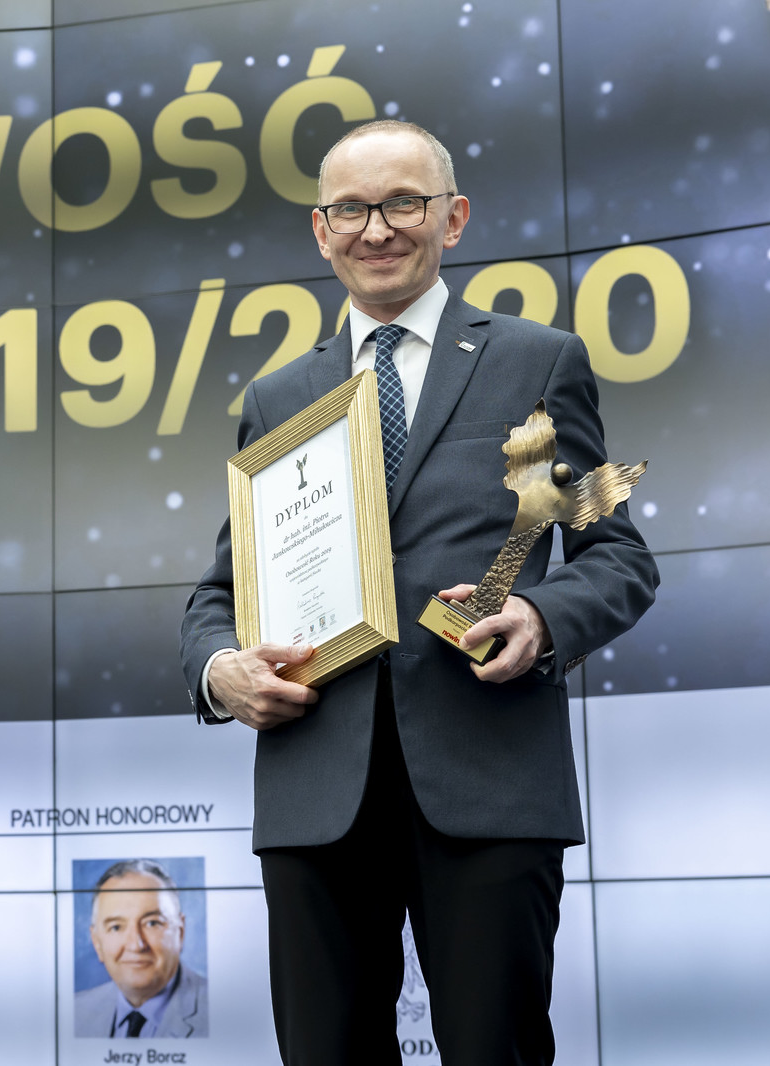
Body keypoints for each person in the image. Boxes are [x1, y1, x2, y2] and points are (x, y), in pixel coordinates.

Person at [180, 121, 657, 1065]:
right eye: (351, 209)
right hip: (317, 793)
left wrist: (540, 614)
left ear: (454, 217)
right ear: (322, 230)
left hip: (489, 779)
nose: (377, 229)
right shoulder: (278, 398)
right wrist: (219, 672)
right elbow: (219, 594)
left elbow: (618, 556)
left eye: (403, 202)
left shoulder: (539, 361)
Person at [72, 859, 208, 1038]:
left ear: (180, 932)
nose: (136, 945)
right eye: (116, 927)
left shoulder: (220, 1011)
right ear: (97, 942)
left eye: (152, 923)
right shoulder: (75, 1012)